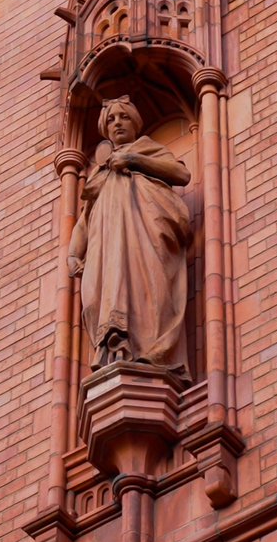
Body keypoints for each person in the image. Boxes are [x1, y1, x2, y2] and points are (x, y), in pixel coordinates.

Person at [68, 96, 192, 382]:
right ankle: (112, 353)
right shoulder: (100, 175)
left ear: (135, 123)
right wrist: (74, 254)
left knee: (149, 292)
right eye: (111, 120)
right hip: (105, 253)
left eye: (123, 117)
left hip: (144, 238)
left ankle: (152, 354)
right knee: (97, 299)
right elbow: (85, 221)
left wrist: (134, 160)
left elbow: (182, 173)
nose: (117, 123)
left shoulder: (146, 149)